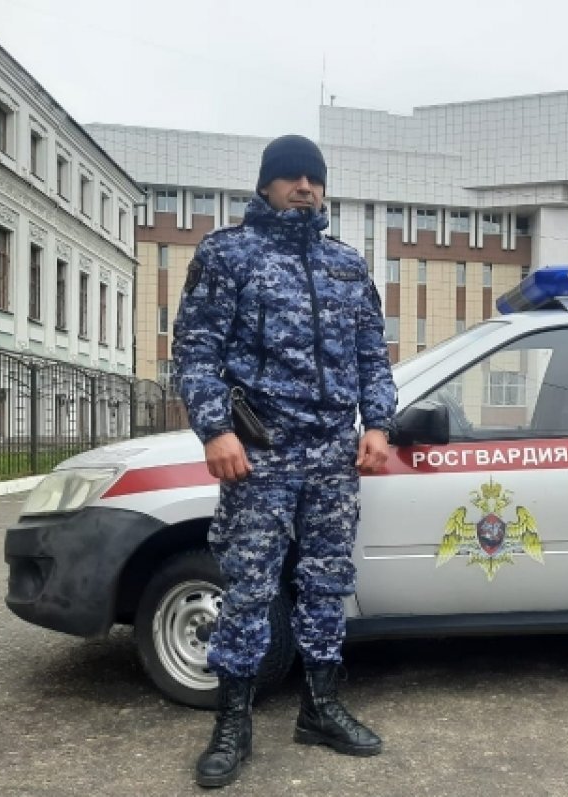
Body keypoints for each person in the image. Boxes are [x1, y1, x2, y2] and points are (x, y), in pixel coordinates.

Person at [173, 134, 397, 788]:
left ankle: (320, 707)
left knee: (328, 581)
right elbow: (194, 352)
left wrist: (378, 421)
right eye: (292, 176)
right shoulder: (229, 254)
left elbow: (371, 356)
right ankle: (233, 722)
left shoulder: (346, 267)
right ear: (267, 184)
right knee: (247, 587)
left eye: (315, 178)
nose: (306, 187)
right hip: (260, 450)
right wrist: (216, 429)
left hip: (332, 451)